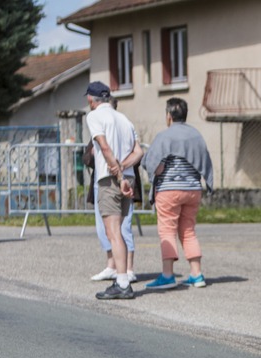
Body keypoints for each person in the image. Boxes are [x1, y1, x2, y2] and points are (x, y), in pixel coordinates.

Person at [142, 98, 214, 290]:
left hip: (169, 190)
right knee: (188, 230)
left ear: (168, 116)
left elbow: (154, 165)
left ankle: (167, 275)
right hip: (193, 189)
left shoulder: (165, 136)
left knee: (167, 230)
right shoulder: (196, 135)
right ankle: (196, 274)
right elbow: (205, 161)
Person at [85, 81, 142, 300]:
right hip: (128, 178)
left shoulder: (94, 116)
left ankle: (122, 282)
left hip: (110, 180)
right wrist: (125, 169)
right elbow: (138, 152)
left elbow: (104, 146)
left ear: (91, 99)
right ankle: (124, 276)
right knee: (121, 230)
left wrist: (117, 174)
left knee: (113, 232)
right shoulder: (124, 118)